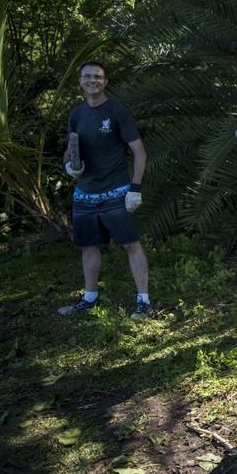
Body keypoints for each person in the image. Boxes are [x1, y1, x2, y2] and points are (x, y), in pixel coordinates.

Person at [59, 61, 152, 320]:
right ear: (80, 82)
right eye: (87, 77)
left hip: (116, 191)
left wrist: (134, 188)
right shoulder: (76, 114)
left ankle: (143, 302)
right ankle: (90, 298)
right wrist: (69, 166)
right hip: (85, 194)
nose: (93, 81)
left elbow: (139, 151)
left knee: (131, 245)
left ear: (105, 82)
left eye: (98, 77)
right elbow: (70, 148)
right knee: (89, 247)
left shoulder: (117, 112)